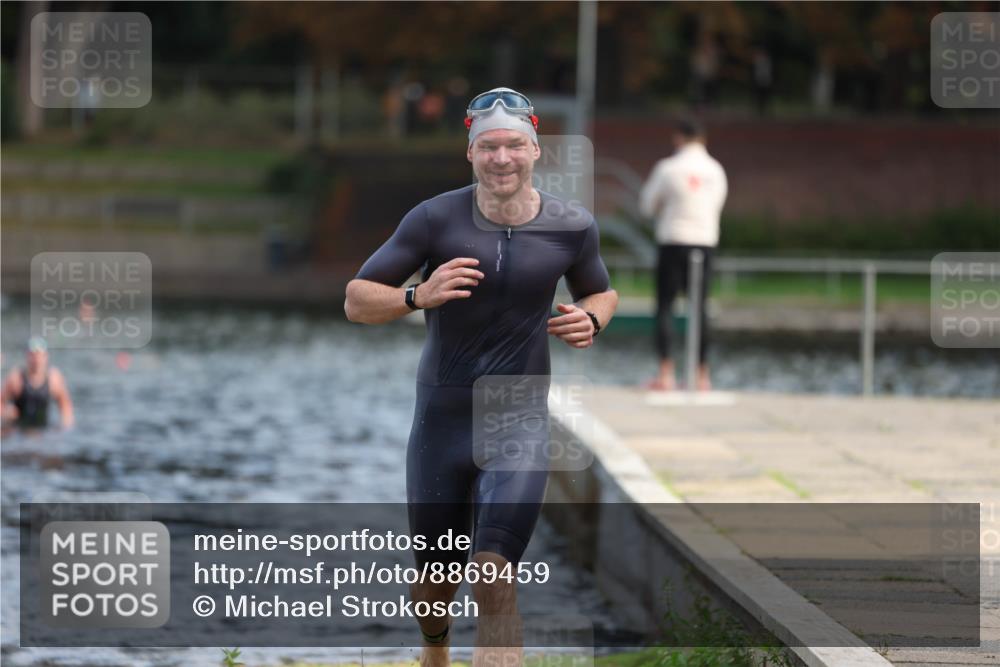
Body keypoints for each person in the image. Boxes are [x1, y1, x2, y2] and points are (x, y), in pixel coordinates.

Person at [344, 86, 618, 666]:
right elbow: (357, 300)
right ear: (470, 153)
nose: (502, 158)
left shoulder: (572, 226)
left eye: (514, 146)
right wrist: (418, 295)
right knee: (435, 584)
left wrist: (591, 317)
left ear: (535, 149)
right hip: (442, 417)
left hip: (516, 414)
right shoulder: (433, 220)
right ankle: (434, 651)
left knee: (494, 573)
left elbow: (600, 288)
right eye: (489, 147)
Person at [639, 117, 728, 391]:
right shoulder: (716, 170)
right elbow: (717, 204)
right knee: (699, 309)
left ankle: (666, 373)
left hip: (673, 241)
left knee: (665, 307)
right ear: (704, 139)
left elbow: (647, 206)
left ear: (678, 138)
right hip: (705, 242)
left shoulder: (668, 168)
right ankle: (702, 376)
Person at [1, 337, 75, 430]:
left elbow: (65, 405)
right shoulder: (16, 378)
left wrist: (65, 425)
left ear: (46, 356)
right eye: (33, 355)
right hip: (18, 430)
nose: (36, 359)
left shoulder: (54, 379)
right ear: (27, 356)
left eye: (39, 355)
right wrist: (6, 412)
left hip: (43, 430)